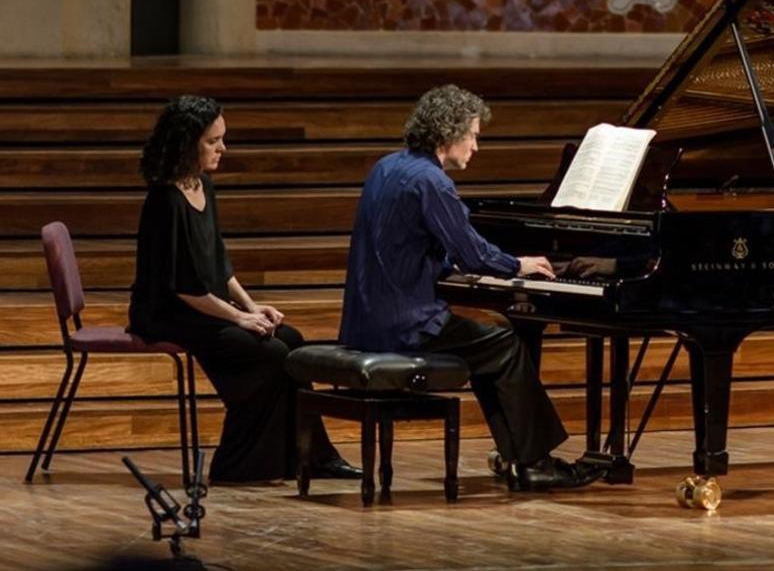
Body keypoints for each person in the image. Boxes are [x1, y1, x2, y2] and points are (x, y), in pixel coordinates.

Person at [339, 84, 600, 492]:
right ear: (448, 134)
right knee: (505, 346)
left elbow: (408, 244)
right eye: (473, 135)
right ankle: (533, 463)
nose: (476, 147)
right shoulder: (432, 182)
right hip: (405, 325)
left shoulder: (386, 167)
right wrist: (518, 264)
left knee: (487, 348)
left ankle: (520, 458)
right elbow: (473, 254)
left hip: (366, 319)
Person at [128, 95, 360, 484]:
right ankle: (238, 465)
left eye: (223, 138)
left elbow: (219, 264)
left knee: (291, 340)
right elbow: (184, 288)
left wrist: (255, 307)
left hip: (205, 306)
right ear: (187, 143)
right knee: (268, 353)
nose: (223, 148)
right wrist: (241, 318)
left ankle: (312, 454)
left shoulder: (203, 185)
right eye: (212, 141)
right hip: (169, 314)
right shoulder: (165, 201)